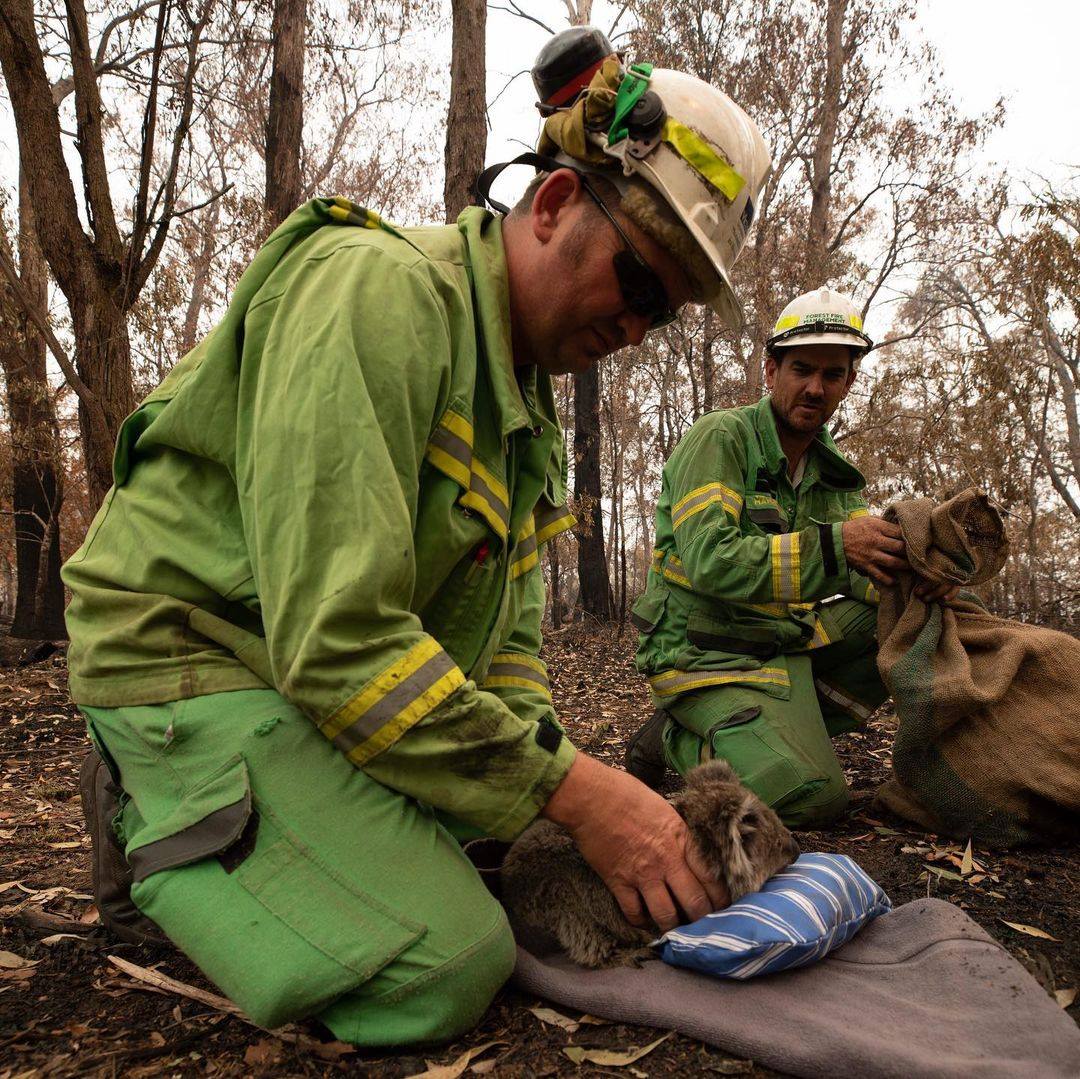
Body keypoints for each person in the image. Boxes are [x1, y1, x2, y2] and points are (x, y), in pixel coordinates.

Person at [62, 57, 771, 1043]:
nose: (640, 325)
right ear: (557, 201)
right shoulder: (378, 294)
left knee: (516, 853)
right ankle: (147, 809)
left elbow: (508, 651)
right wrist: (580, 790)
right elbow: (341, 640)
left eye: (669, 310)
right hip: (187, 656)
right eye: (642, 278)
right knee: (447, 962)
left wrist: (548, 801)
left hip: (300, 681)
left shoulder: (525, 420)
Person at [626, 287, 957, 824]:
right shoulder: (722, 439)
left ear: (850, 382)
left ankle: (768, 736)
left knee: (908, 615)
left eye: (832, 375)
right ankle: (674, 739)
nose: (814, 387)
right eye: (801, 368)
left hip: (778, 649)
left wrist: (919, 581)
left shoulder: (834, 475)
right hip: (702, 655)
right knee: (814, 800)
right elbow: (711, 559)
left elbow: (862, 572)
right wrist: (834, 546)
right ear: (771, 370)